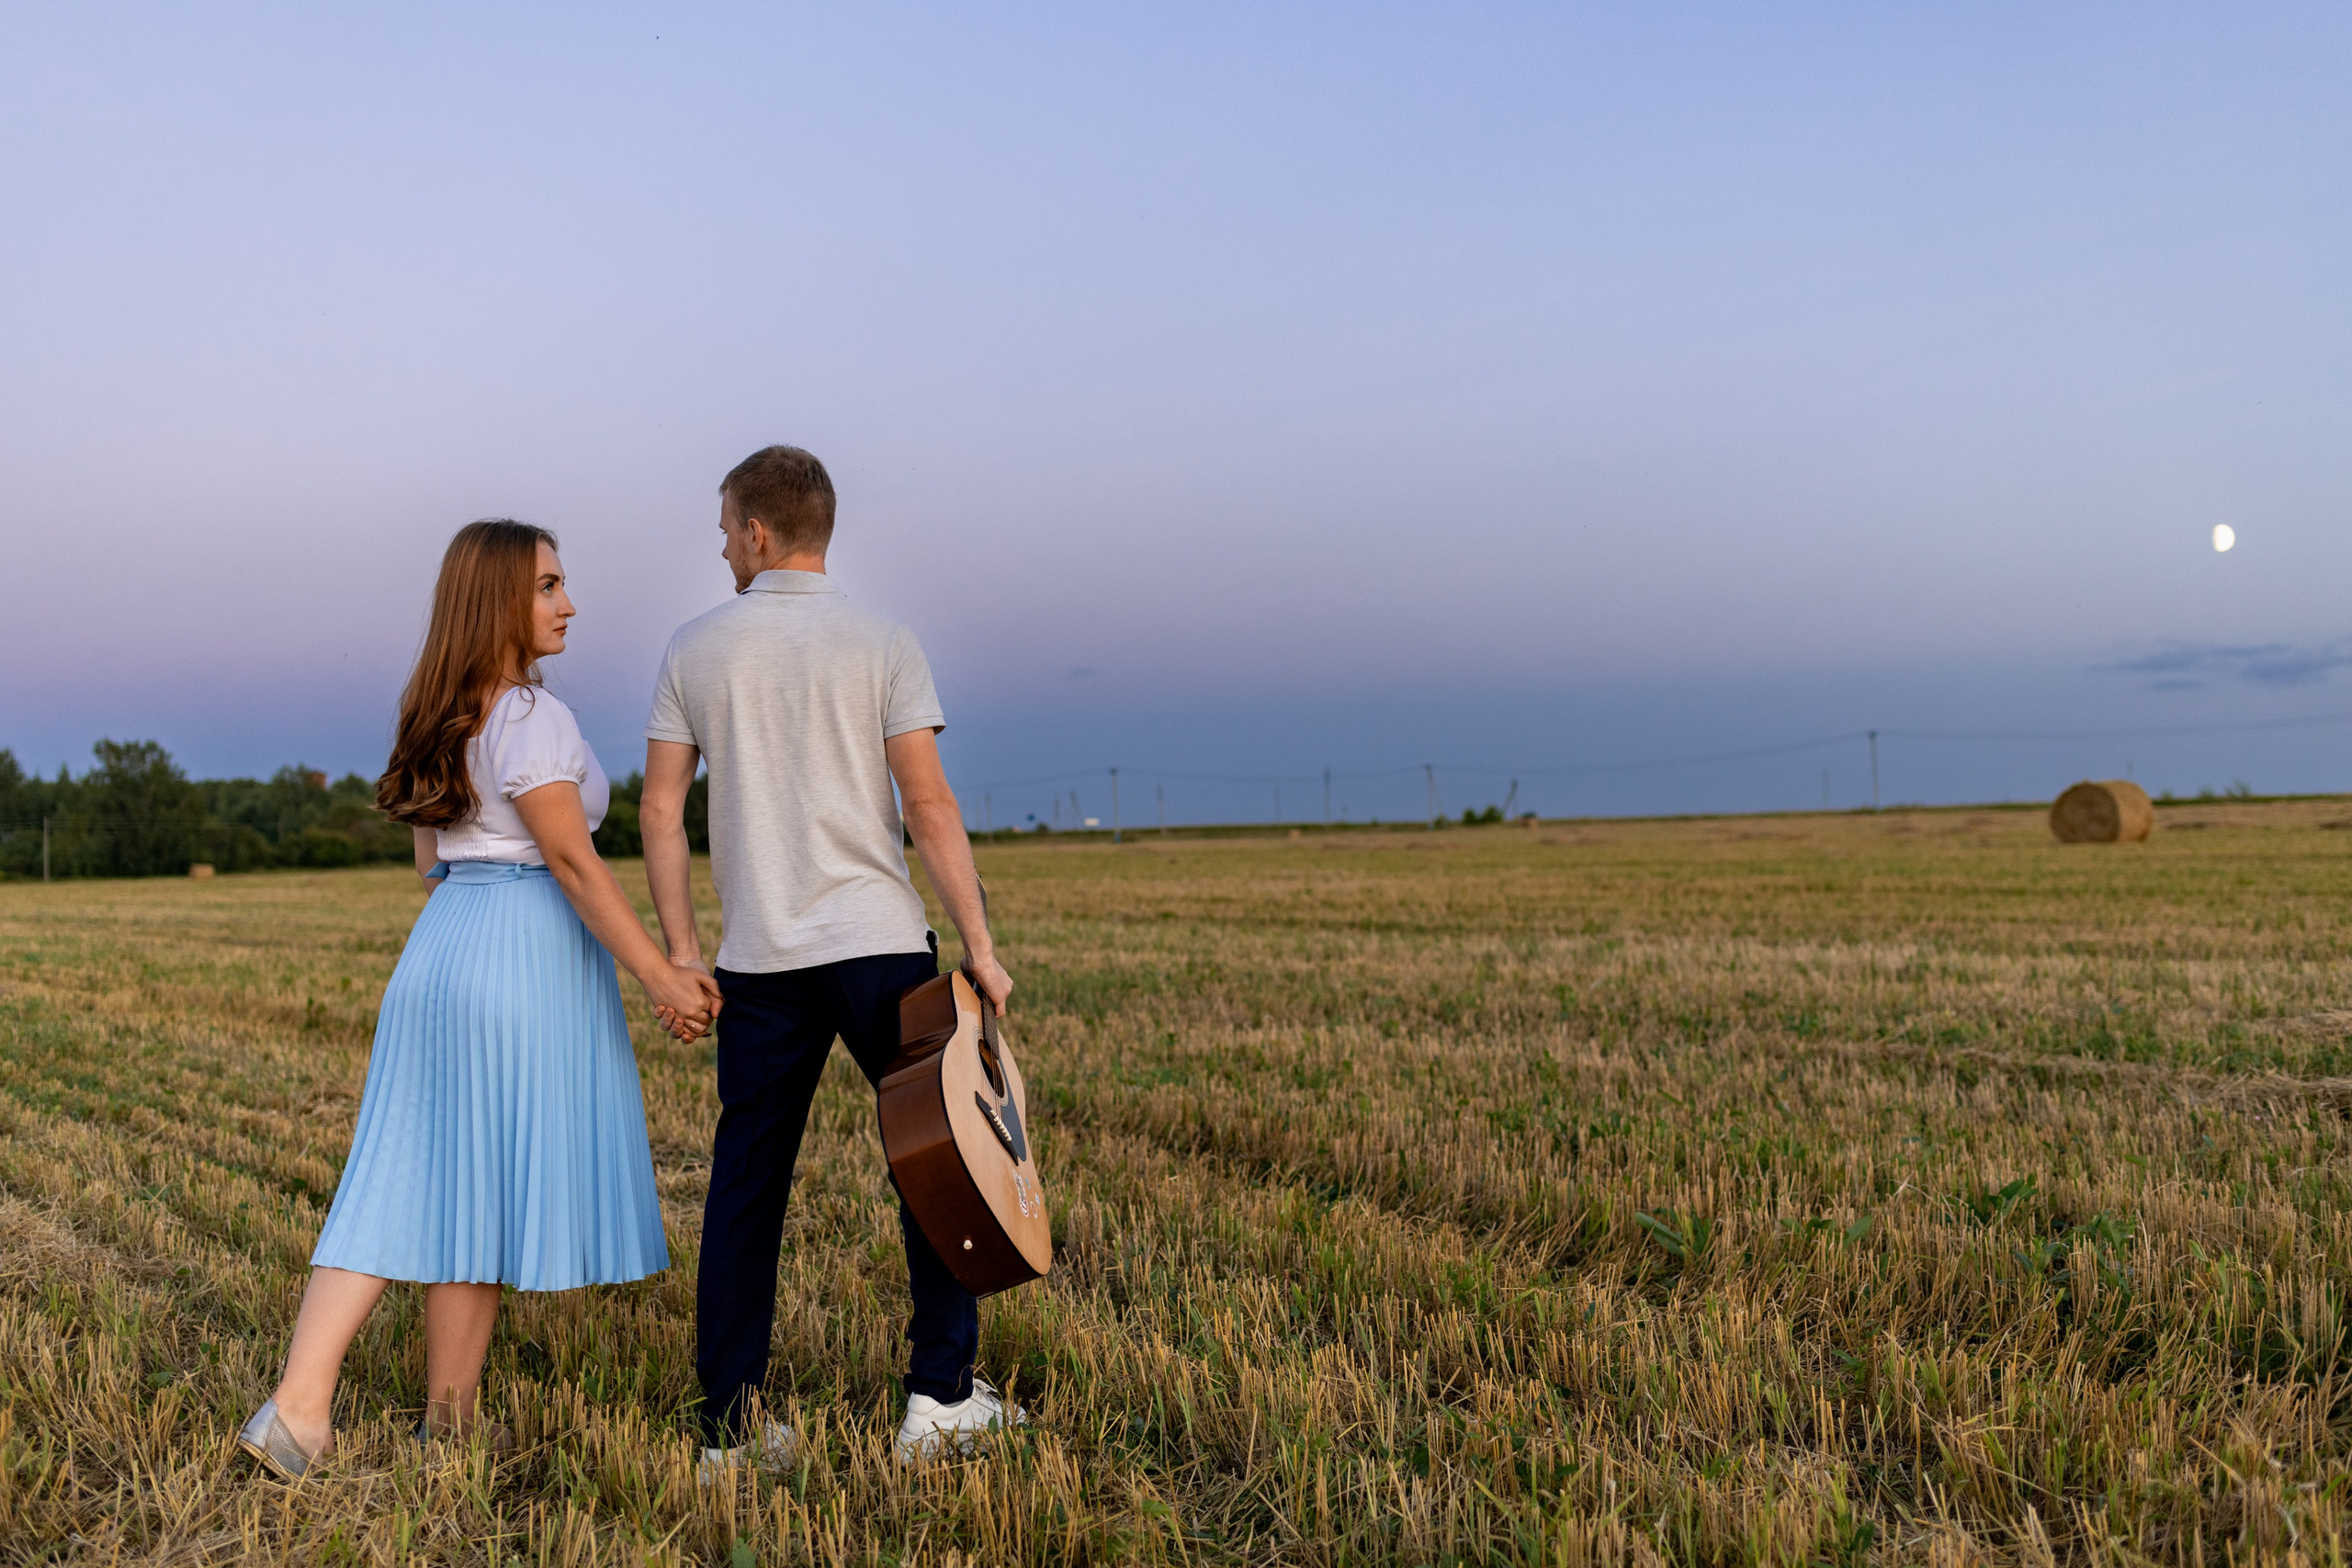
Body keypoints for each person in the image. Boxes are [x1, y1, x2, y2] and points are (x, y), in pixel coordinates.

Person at [238, 520, 723, 1481]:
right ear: (500, 598)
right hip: (517, 956)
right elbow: (575, 865)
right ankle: (312, 1407)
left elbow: (433, 860)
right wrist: (663, 975)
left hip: (444, 945)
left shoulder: (443, 713)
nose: (567, 603)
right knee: (453, 1184)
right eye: (548, 585)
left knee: (439, 1183)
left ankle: (408, 1423)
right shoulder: (535, 718)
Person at [639, 445, 1019, 1470]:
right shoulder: (883, 640)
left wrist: (682, 951)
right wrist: (977, 944)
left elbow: (661, 813)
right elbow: (928, 805)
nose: (722, 546)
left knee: (745, 1185)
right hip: (881, 950)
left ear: (758, 531)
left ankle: (729, 1427)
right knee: (935, 1168)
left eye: (725, 529)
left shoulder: (693, 648)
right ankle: (938, 1402)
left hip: (761, 961)